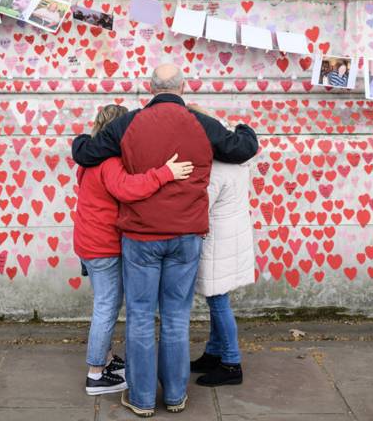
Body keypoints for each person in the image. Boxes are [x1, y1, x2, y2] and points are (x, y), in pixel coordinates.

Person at [72, 64, 258, 417]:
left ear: (150, 87)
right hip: (186, 236)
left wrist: (81, 140)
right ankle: (175, 396)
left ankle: (141, 400)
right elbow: (240, 148)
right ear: (183, 87)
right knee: (176, 317)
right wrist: (245, 128)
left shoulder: (128, 124)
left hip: (141, 237)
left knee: (141, 317)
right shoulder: (201, 124)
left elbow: (86, 153)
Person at [74, 104, 194, 396]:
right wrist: (165, 173)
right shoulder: (109, 161)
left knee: (106, 304)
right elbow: (129, 189)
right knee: (107, 306)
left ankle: (104, 360)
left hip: (88, 241)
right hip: (103, 246)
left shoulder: (89, 158)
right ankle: (95, 375)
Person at [187, 105, 254, 388]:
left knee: (218, 301)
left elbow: (200, 207)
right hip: (233, 238)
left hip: (218, 243)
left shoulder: (213, 171)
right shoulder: (237, 161)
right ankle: (213, 354)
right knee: (219, 298)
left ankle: (231, 363)